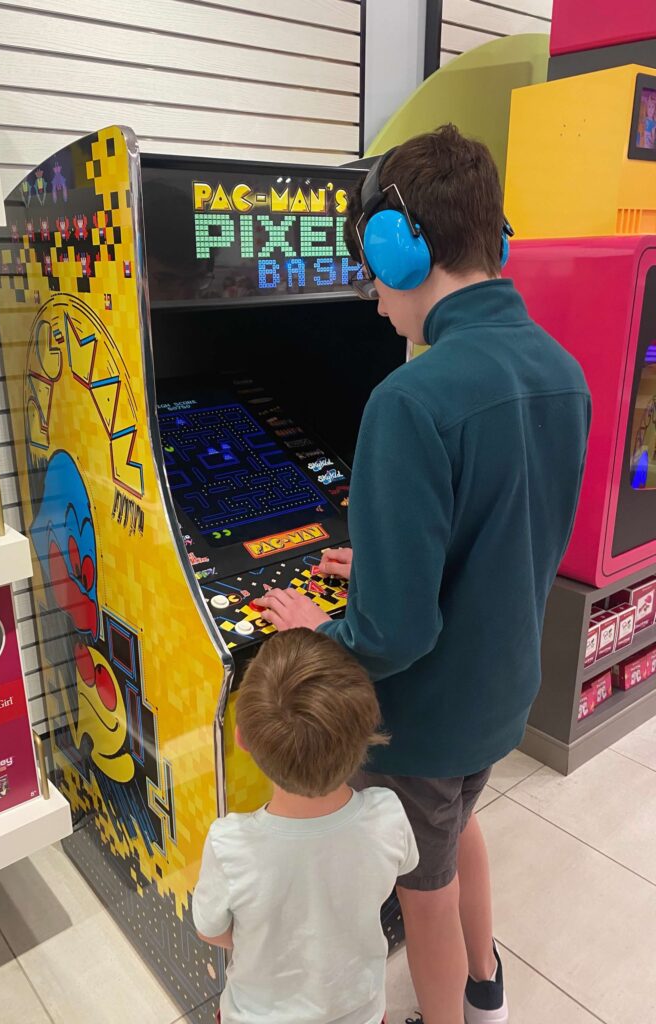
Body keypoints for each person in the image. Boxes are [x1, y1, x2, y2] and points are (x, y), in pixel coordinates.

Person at [256, 125, 591, 1024]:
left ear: (402, 251)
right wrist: (394, 554)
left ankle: (453, 1016)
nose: (372, 299)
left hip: (432, 713)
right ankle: (487, 988)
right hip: (505, 688)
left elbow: (394, 635)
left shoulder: (410, 399)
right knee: (458, 828)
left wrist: (310, 632)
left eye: (373, 270)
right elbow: (506, 530)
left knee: (421, 883)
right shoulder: (562, 373)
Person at [192, 628, 418, 1024]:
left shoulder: (230, 843)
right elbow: (394, 876)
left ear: (242, 740)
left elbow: (210, 930)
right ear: (364, 740)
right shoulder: (388, 813)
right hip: (362, 1013)